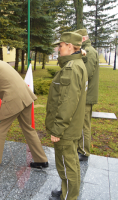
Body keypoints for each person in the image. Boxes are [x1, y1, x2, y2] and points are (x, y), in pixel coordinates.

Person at [46, 32, 88, 200]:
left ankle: (69, 196)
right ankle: (66, 191)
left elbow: (67, 102)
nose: (58, 48)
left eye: (61, 45)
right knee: (70, 161)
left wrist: (57, 130)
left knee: (66, 163)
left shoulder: (71, 68)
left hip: (66, 128)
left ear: (70, 46)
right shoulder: (76, 65)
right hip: (71, 126)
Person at [74, 29, 99, 161]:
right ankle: (80, 148)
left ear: (83, 39)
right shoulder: (86, 50)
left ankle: (84, 151)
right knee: (81, 122)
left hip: (86, 94)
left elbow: (87, 74)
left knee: (84, 124)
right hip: (85, 93)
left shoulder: (88, 52)